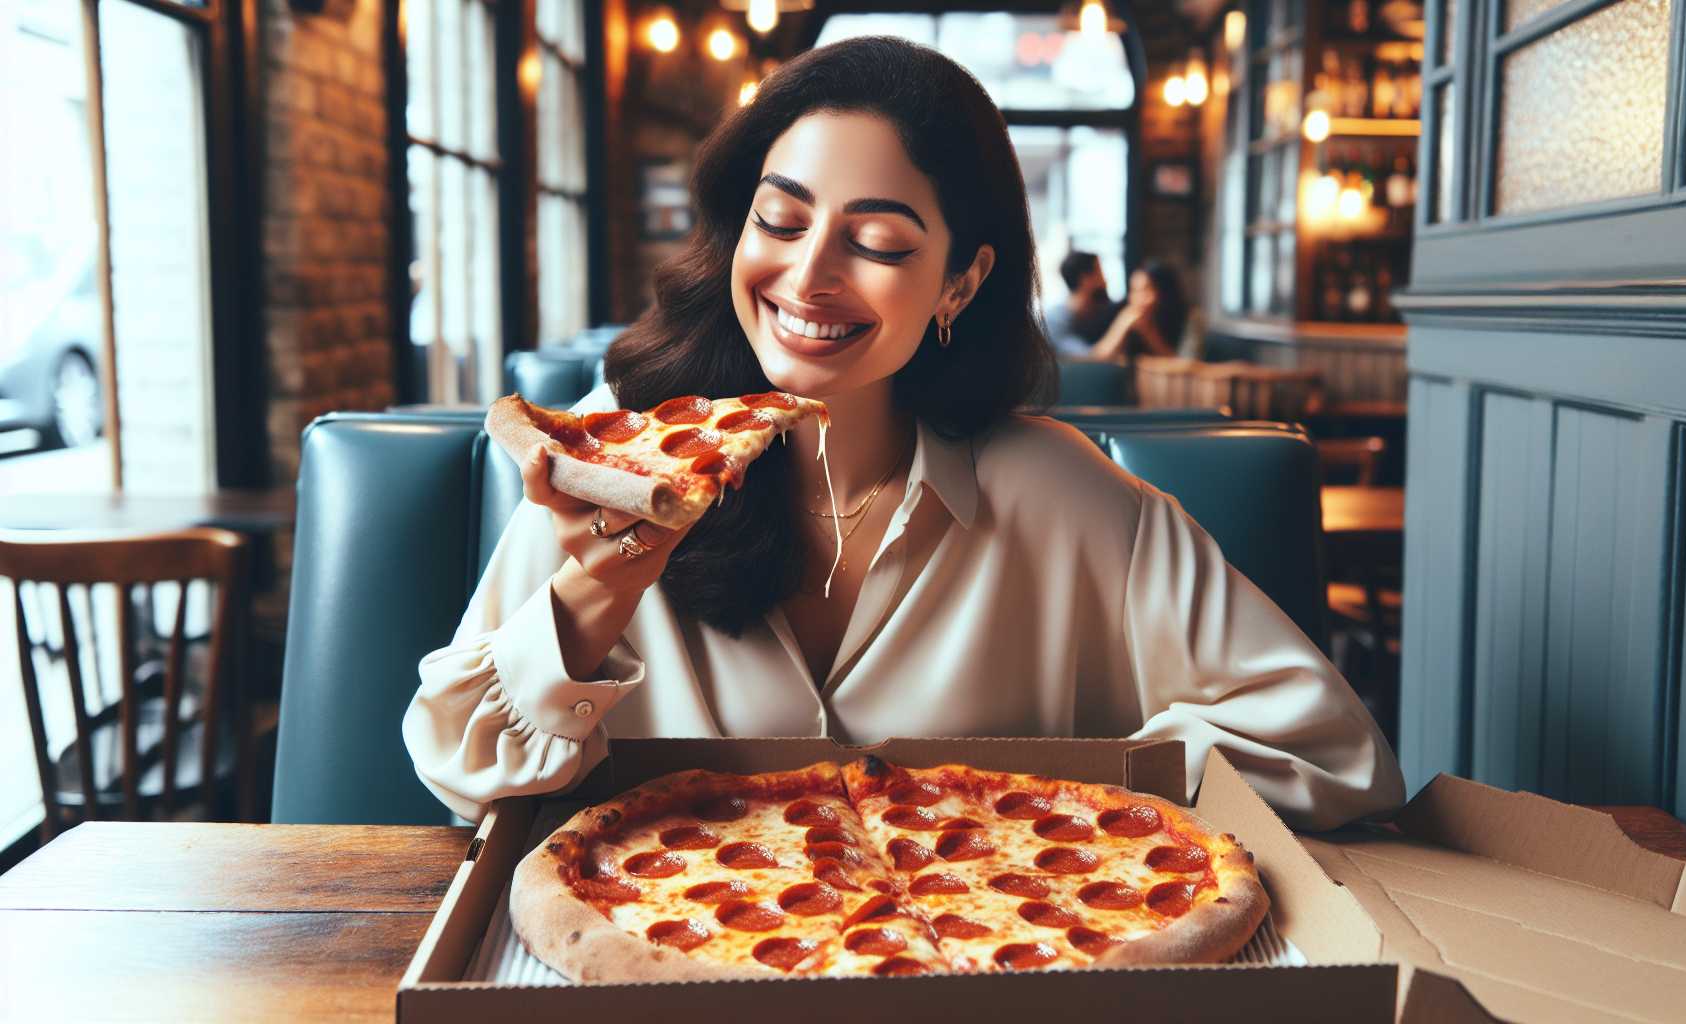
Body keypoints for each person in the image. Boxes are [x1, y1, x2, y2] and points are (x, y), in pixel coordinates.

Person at [402, 36, 1402, 829]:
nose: (809, 277)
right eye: (780, 222)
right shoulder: (612, 464)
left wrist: (1058, 796)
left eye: (876, 241)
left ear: (960, 281)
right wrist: (596, 594)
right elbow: (461, 774)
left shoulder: (1066, 495)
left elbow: (1335, 754)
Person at [1086, 261, 1186, 362]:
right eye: (1134, 290)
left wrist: (1149, 333)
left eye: (1146, 290)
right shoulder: (1122, 313)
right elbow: (1095, 360)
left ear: (1164, 293)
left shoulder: (1188, 319)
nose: (1138, 299)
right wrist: (1121, 326)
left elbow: (1186, 366)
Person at [1041, 251, 1118, 357]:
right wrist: (1126, 320)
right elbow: (1090, 359)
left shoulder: (1098, 313)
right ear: (1084, 280)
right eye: (1100, 273)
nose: (1105, 281)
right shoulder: (1054, 319)